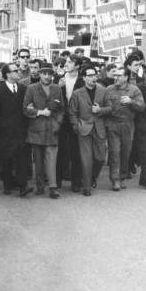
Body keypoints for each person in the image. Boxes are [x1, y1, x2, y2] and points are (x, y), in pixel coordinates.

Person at [23, 63, 64, 199]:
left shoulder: (57, 89)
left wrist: (58, 122)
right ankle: (40, 185)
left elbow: (61, 108)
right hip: (36, 129)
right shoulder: (31, 88)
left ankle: (53, 187)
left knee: (51, 158)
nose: (47, 76)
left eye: (50, 74)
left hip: (52, 129)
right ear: (39, 74)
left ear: (53, 75)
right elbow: (25, 109)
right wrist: (39, 112)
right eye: (44, 74)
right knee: (38, 160)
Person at [69, 65, 112, 196]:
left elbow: (111, 108)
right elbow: (72, 112)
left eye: (95, 75)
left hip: (99, 128)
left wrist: (100, 110)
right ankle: (86, 187)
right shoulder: (77, 93)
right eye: (90, 75)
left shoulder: (103, 91)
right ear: (84, 78)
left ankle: (92, 177)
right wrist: (76, 126)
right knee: (86, 159)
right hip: (84, 128)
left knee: (100, 158)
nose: (93, 78)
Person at [0, 63, 33, 197]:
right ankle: (7, 184)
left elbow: (27, 107)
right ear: (8, 74)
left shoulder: (23, 89)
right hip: (5, 131)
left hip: (21, 130)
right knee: (6, 158)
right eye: (15, 71)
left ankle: (23, 186)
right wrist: (2, 126)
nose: (18, 72)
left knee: (21, 158)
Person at [105, 65, 145, 191]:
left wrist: (131, 101)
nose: (115, 77)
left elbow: (142, 106)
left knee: (125, 152)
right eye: (115, 75)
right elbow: (105, 106)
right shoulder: (109, 89)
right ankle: (115, 179)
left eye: (119, 75)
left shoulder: (134, 90)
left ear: (126, 77)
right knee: (114, 152)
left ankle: (122, 177)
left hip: (128, 125)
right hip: (113, 124)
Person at [59, 54, 85, 192]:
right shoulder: (60, 80)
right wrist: (58, 86)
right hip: (62, 120)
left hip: (76, 119)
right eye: (66, 61)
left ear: (77, 66)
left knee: (76, 151)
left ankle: (76, 181)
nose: (66, 64)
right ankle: (58, 180)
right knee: (61, 150)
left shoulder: (82, 81)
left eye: (70, 62)